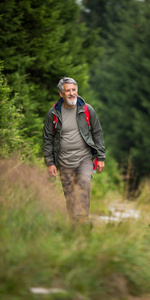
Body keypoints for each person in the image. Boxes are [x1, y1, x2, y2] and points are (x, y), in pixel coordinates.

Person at [43, 77, 105, 225]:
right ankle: (74, 224)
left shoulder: (87, 110)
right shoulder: (53, 113)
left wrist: (101, 158)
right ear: (61, 94)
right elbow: (47, 139)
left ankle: (83, 221)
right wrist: (50, 163)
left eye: (74, 90)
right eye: (68, 90)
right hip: (64, 161)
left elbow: (98, 133)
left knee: (84, 183)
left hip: (85, 159)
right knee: (70, 194)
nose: (72, 93)